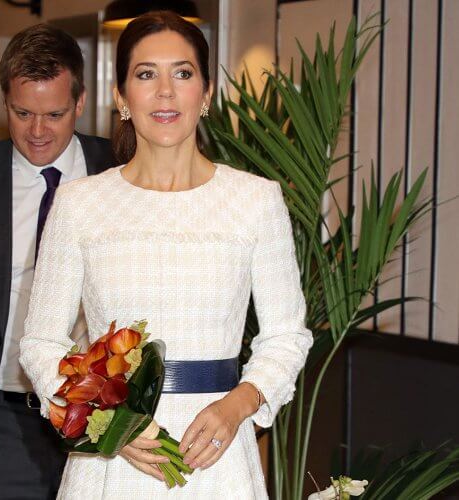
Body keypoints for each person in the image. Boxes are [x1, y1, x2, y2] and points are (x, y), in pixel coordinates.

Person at [20, 11, 313, 499]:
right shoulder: (78, 204)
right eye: (145, 74)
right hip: (113, 463)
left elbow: (286, 336)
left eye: (182, 73)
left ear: (207, 93)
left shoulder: (256, 201)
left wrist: (238, 404)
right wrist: (110, 423)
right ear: (121, 97)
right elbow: (41, 342)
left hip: (218, 455)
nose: (164, 92)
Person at [0, 24, 117, 500]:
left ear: (80, 102)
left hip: (107, 414)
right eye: (22, 113)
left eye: (54, 114)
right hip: (2, 416)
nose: (37, 132)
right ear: (5, 103)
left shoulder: (120, 170)